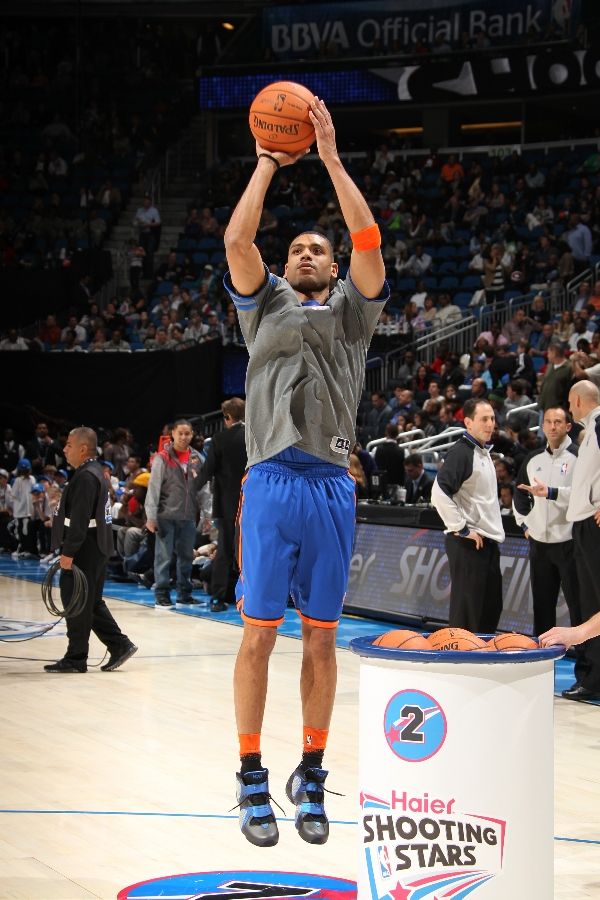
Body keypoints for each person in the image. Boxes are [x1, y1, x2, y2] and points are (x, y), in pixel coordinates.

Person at [223, 96, 388, 848]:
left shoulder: (355, 313)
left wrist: (325, 154)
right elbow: (236, 237)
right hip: (270, 484)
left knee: (320, 640)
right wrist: (265, 159)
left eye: (318, 249)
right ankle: (252, 775)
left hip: (328, 485)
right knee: (257, 637)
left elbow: (368, 237)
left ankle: (312, 772)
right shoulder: (264, 308)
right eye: (299, 249)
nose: (308, 254)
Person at [519, 381, 600, 702]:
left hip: (580, 531)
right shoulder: (589, 430)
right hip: (561, 534)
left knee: (589, 606)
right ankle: (582, 675)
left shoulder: (595, 427)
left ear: (576, 402)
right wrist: (547, 495)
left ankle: (592, 677)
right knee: (577, 606)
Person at [45, 427, 137, 673]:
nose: (64, 449)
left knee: (75, 600)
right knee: (91, 602)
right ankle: (120, 645)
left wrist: (68, 552)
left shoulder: (86, 476)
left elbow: (80, 520)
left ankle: (76, 658)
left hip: (85, 546)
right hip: (97, 545)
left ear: (82, 448)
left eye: (69, 445)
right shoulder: (94, 472)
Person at [431, 398, 504, 632]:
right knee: (468, 613)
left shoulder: (482, 452)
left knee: (489, 609)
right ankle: (460, 661)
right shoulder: (462, 452)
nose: (490, 423)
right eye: (484, 419)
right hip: (469, 544)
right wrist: (462, 529)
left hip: (486, 543)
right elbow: (439, 492)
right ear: (468, 423)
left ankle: (480, 663)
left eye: (492, 418)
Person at [513, 408, 580, 637]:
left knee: (579, 608)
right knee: (542, 609)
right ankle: (543, 661)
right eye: (549, 422)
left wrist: (551, 492)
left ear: (568, 426)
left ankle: (588, 665)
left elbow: (583, 494)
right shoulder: (533, 459)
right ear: (542, 426)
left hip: (570, 543)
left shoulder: (579, 457)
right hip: (539, 544)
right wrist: (524, 526)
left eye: (558, 422)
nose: (553, 427)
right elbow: (519, 494)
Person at [194, 398, 247, 612]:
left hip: (226, 506)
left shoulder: (219, 439)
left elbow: (207, 472)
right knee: (251, 553)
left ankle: (217, 599)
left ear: (227, 417)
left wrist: (191, 488)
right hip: (252, 505)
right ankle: (251, 600)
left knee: (224, 552)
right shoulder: (255, 438)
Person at [144, 420, 202, 607]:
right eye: (180, 433)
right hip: (165, 515)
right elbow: (153, 488)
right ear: (173, 435)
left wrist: (207, 515)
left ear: (192, 434)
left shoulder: (197, 458)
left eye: (187, 434)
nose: (184, 437)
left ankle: (184, 594)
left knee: (186, 557)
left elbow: (204, 489)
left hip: (188, 516)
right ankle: (162, 593)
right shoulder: (163, 457)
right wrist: (151, 516)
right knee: (164, 557)